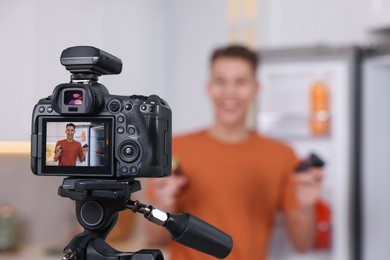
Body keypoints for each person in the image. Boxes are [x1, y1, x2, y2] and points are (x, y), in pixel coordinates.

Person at [146, 45, 323, 260]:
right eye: (221, 81)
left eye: (240, 82)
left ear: (256, 88)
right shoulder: (175, 148)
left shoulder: (281, 155)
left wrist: (305, 206)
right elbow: (154, 240)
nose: (229, 92)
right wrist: (163, 206)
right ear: (208, 87)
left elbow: (302, 244)